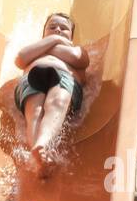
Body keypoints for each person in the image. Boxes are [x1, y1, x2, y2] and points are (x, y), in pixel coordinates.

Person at [12, 11, 89, 178]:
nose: (58, 30)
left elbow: (77, 58)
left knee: (58, 102)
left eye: (64, 28)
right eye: (52, 27)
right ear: (43, 32)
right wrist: (55, 40)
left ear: (72, 36)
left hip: (64, 77)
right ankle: (38, 153)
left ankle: (41, 145)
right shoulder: (36, 47)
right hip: (33, 76)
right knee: (35, 111)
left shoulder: (76, 49)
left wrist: (48, 47)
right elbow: (20, 58)